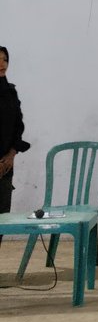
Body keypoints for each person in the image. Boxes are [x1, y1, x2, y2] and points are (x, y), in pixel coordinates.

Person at [0, 46, 31, 240]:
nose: (2, 64)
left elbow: (18, 127)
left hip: (5, 166)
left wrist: (10, 155)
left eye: (5, 59)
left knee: (1, 219)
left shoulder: (11, 93)